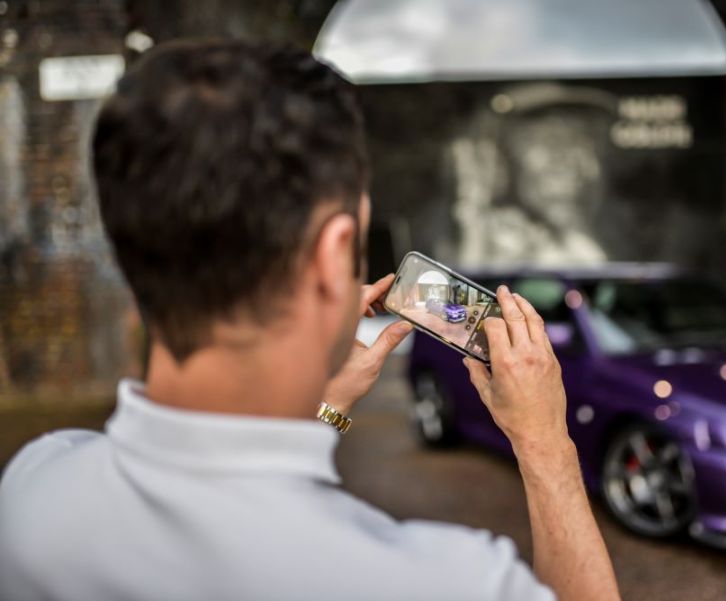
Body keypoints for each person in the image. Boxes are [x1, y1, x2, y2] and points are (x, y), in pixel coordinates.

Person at [0, 40, 620, 601]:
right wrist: (547, 446)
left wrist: (330, 404)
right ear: (332, 256)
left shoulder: (32, 490)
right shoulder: (449, 581)